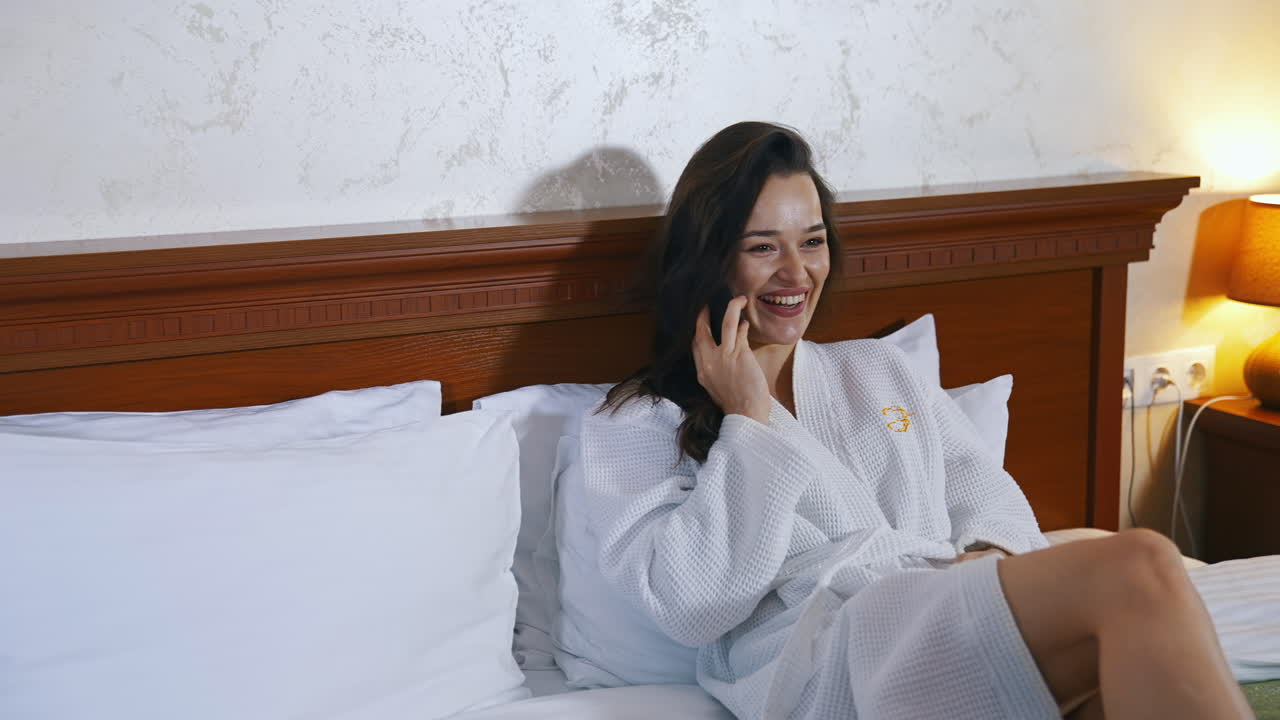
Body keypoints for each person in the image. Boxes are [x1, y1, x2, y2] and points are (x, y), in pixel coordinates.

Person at [579, 121, 1251, 719]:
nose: (797, 272)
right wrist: (749, 419)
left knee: (1113, 687)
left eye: (812, 242)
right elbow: (690, 604)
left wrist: (987, 566)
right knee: (1140, 562)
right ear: (710, 257)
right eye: (762, 248)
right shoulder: (636, 424)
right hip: (828, 660)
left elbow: (985, 496)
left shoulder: (880, 371)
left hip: (940, 610)